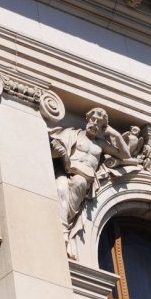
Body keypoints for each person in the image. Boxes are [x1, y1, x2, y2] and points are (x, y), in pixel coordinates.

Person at [48, 107, 134, 257]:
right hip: (67, 171)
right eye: (93, 120)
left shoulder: (101, 144)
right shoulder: (73, 133)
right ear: (87, 119)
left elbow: (125, 156)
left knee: (79, 183)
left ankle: (65, 228)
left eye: (100, 123)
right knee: (60, 189)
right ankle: (62, 231)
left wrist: (114, 134)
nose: (95, 124)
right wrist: (63, 155)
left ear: (103, 127)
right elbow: (53, 147)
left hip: (83, 178)